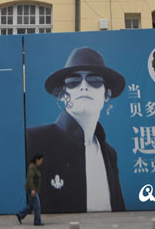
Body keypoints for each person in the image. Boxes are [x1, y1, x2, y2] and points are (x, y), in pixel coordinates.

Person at [25, 46, 126, 213]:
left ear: (106, 94)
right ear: (62, 95)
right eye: (73, 82)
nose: (83, 86)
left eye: (94, 80)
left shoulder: (109, 153)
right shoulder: (33, 140)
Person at [16, 153, 44, 226]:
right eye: (41, 160)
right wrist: (32, 189)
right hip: (31, 189)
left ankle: (20, 214)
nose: (41, 162)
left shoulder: (35, 167)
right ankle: (37, 221)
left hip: (33, 189)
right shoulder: (32, 167)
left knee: (31, 205)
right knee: (37, 205)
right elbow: (30, 179)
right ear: (37, 160)